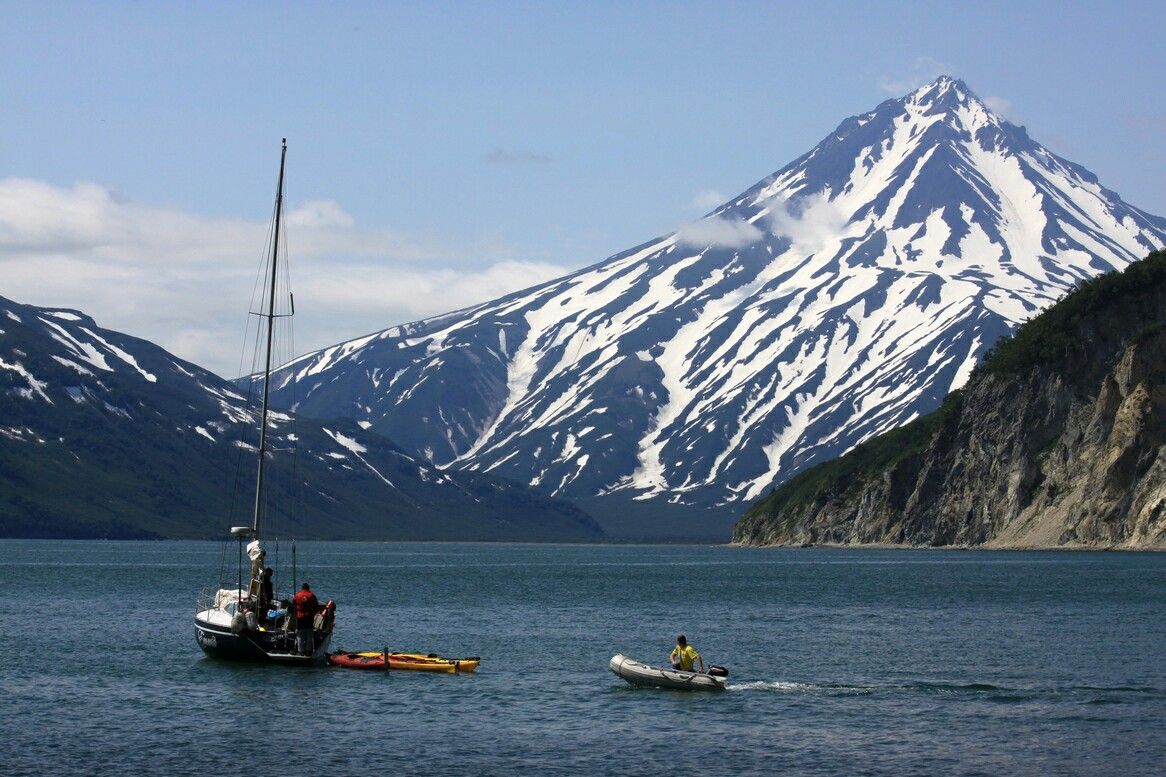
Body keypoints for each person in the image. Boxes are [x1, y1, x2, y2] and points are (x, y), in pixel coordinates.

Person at [293, 582, 319, 655]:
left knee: (300, 634)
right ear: (308, 588)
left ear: (302, 588)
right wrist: (314, 613)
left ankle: (301, 651)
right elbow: (316, 606)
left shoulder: (297, 595)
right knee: (309, 634)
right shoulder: (312, 595)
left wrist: (296, 614)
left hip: (300, 617)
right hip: (309, 617)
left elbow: (294, 605)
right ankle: (308, 651)